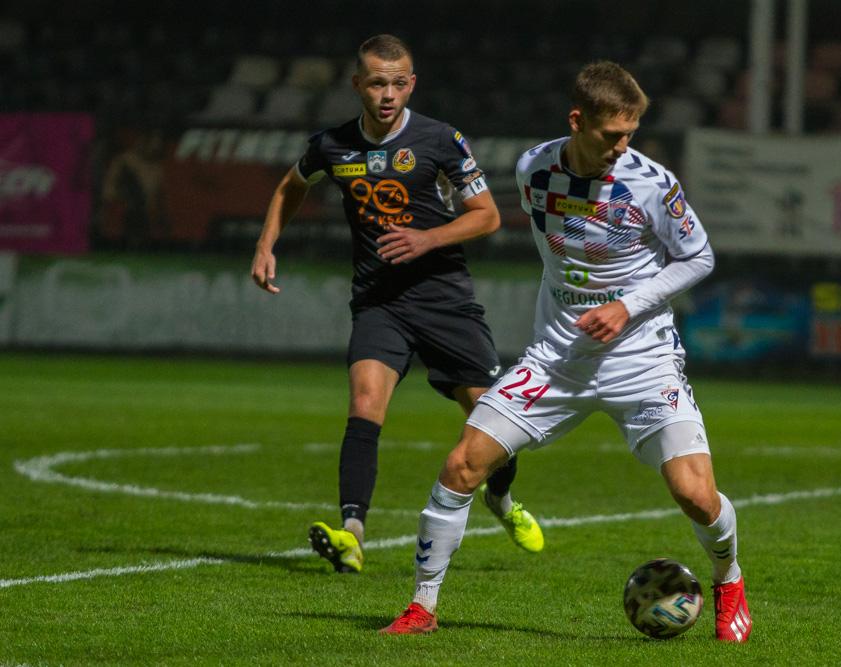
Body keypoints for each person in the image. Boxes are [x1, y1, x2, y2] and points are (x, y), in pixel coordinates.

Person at [381, 61, 751, 642]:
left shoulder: (653, 184)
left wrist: (626, 305)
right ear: (577, 121)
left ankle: (729, 579)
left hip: (643, 360)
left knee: (695, 495)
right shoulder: (534, 168)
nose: (622, 146)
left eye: (630, 134)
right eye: (611, 134)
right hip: (555, 360)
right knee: (462, 466)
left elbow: (699, 257)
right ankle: (422, 606)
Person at [250, 34, 544, 574]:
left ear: (411, 84)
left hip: (445, 301)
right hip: (379, 301)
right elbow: (292, 185)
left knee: (495, 425)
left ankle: (501, 499)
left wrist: (427, 238)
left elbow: (487, 215)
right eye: (377, 83)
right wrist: (267, 244)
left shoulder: (441, 139)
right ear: (357, 84)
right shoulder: (333, 145)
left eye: (398, 83)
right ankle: (352, 532)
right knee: (365, 404)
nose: (387, 94)